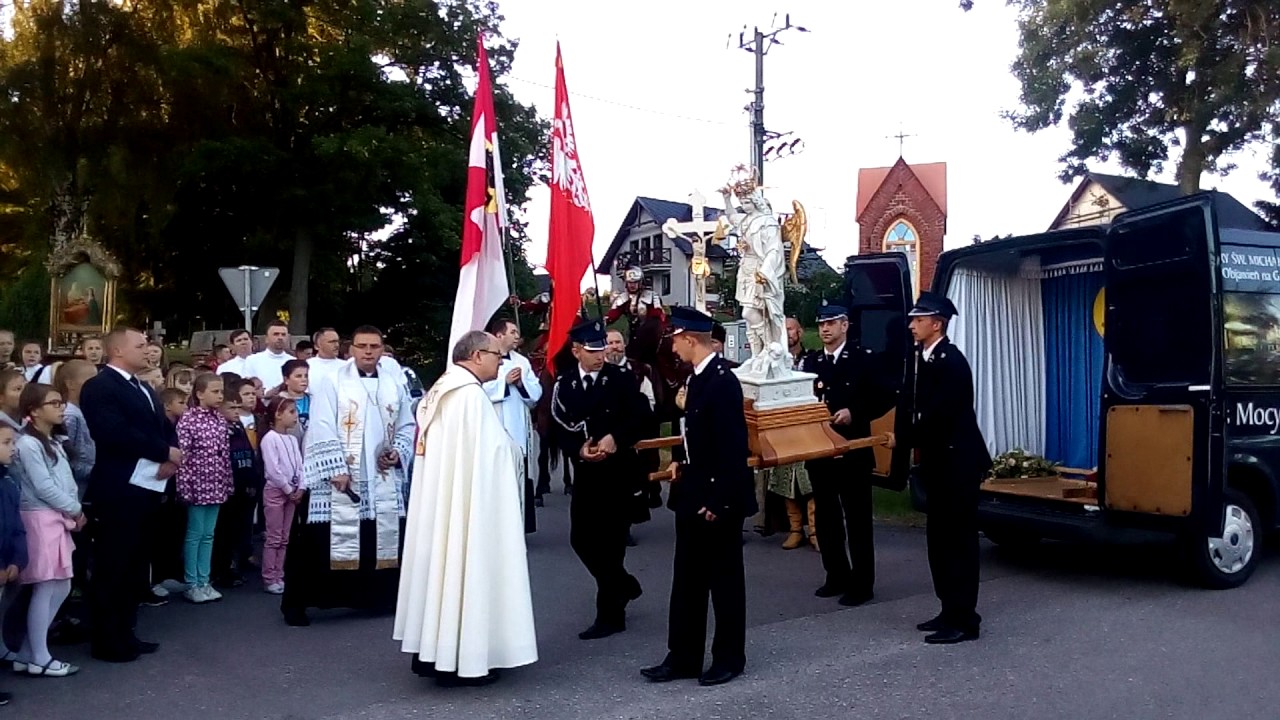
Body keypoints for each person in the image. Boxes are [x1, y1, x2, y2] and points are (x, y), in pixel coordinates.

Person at [394, 330, 537, 686]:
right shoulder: (469, 396)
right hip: (468, 504)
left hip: (443, 502)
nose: (499, 362)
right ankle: (468, 658)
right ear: (476, 356)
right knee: (466, 569)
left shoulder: (441, 390)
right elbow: (493, 454)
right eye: (495, 355)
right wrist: (515, 450)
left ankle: (435, 653)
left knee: (443, 572)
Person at [642, 307, 755, 687]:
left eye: (675, 339)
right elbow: (694, 435)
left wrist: (721, 500)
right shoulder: (697, 378)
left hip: (716, 498)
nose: (673, 346)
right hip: (692, 490)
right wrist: (681, 464)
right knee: (687, 580)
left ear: (690, 339)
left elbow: (732, 447)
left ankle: (729, 657)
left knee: (723, 583)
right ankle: (683, 656)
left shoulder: (722, 381)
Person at [284, 325, 413, 627]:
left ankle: (377, 598)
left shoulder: (394, 383)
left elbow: (407, 424)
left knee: (380, 538)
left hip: (381, 476)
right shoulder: (333, 381)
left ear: (382, 349)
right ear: (350, 349)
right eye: (362, 346)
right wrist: (335, 468)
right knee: (320, 540)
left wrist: (398, 452)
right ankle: (299, 604)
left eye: (375, 346)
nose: (368, 351)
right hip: (344, 476)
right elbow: (321, 424)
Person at [888, 292, 990, 645]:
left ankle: (964, 619)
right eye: (912, 319)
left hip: (957, 462)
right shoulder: (923, 358)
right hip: (938, 462)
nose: (911, 325)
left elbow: (940, 415)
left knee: (958, 541)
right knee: (939, 540)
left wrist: (904, 438)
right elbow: (911, 402)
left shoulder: (951, 361)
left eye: (918, 320)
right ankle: (949, 608)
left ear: (937, 323)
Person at [80, 327, 180, 663]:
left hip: (148, 485)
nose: (147, 349)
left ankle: (127, 631)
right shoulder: (100, 387)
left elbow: (161, 425)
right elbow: (114, 432)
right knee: (113, 564)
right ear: (119, 351)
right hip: (119, 487)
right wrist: (162, 451)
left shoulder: (143, 387)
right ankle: (107, 639)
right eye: (140, 345)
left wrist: (169, 454)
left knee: (136, 563)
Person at [551, 321, 651, 640]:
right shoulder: (565, 383)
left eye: (602, 348)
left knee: (611, 544)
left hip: (618, 472)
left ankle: (610, 615)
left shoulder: (620, 378)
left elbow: (641, 417)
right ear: (576, 350)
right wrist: (579, 450)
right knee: (581, 539)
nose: (600, 355)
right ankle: (623, 585)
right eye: (593, 350)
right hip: (587, 473)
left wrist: (615, 438)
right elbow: (557, 426)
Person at [802, 303, 891, 607]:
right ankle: (836, 574)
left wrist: (856, 412)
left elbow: (886, 394)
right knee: (826, 517)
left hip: (853, 449)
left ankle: (862, 583)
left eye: (831, 323)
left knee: (857, 519)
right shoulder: (812, 362)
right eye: (821, 324)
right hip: (820, 449)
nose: (825, 329)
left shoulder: (863, 359)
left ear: (845, 325)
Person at [10, 383, 85, 677]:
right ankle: (39, 656)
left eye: (60, 402)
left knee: (61, 583)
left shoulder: (51, 441)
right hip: (41, 517)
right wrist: (75, 508)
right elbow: (43, 486)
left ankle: (29, 651)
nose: (60, 407)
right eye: (53, 403)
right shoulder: (28, 444)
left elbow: (62, 481)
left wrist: (71, 507)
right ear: (34, 410)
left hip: (55, 516)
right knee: (47, 584)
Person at [175, 374, 232, 604]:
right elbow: (183, 456)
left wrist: (227, 481)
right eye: (215, 391)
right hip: (197, 485)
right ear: (199, 394)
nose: (219, 396)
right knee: (195, 534)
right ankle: (192, 582)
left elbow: (224, 455)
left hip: (216, 484)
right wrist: (184, 486)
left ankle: (204, 580)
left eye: (221, 392)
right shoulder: (188, 420)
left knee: (208, 534)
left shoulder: (219, 419)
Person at [481, 317, 541, 534]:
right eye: (513, 332)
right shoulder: (481, 359)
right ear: (499, 335)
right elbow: (476, 391)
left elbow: (536, 394)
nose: (518, 336)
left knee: (518, 480)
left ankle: (516, 529)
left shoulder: (522, 362)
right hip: (492, 431)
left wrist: (520, 384)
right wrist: (503, 384)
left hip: (517, 431)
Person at [767, 317, 817, 550]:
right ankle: (795, 529)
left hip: (808, 429)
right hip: (783, 429)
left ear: (800, 332)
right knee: (787, 480)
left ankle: (815, 531)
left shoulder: (812, 360)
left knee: (810, 482)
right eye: (782, 329)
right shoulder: (773, 364)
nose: (786, 334)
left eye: (790, 329)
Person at [260, 397, 304, 595]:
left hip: (292, 492)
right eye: (291, 412)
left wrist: (301, 487)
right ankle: (269, 576)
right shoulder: (270, 438)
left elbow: (300, 465)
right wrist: (288, 489)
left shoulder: (293, 439)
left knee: (285, 537)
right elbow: (273, 469)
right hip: (277, 492)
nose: (295, 416)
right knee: (274, 536)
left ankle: (280, 574)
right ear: (278, 414)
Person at [0, 423, 25, 703]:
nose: (13, 448)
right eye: (7, 443)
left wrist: (17, 559)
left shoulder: (8, 482)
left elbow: (17, 524)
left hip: (8, 561)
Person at [244, 320, 294, 391]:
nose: (280, 337)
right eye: (276, 334)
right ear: (266, 339)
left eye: (283, 334)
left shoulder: (293, 361)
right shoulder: (252, 360)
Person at [306, 327, 345, 392]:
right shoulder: (307, 366)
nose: (337, 345)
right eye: (332, 342)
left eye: (337, 341)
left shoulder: (346, 366)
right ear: (317, 346)